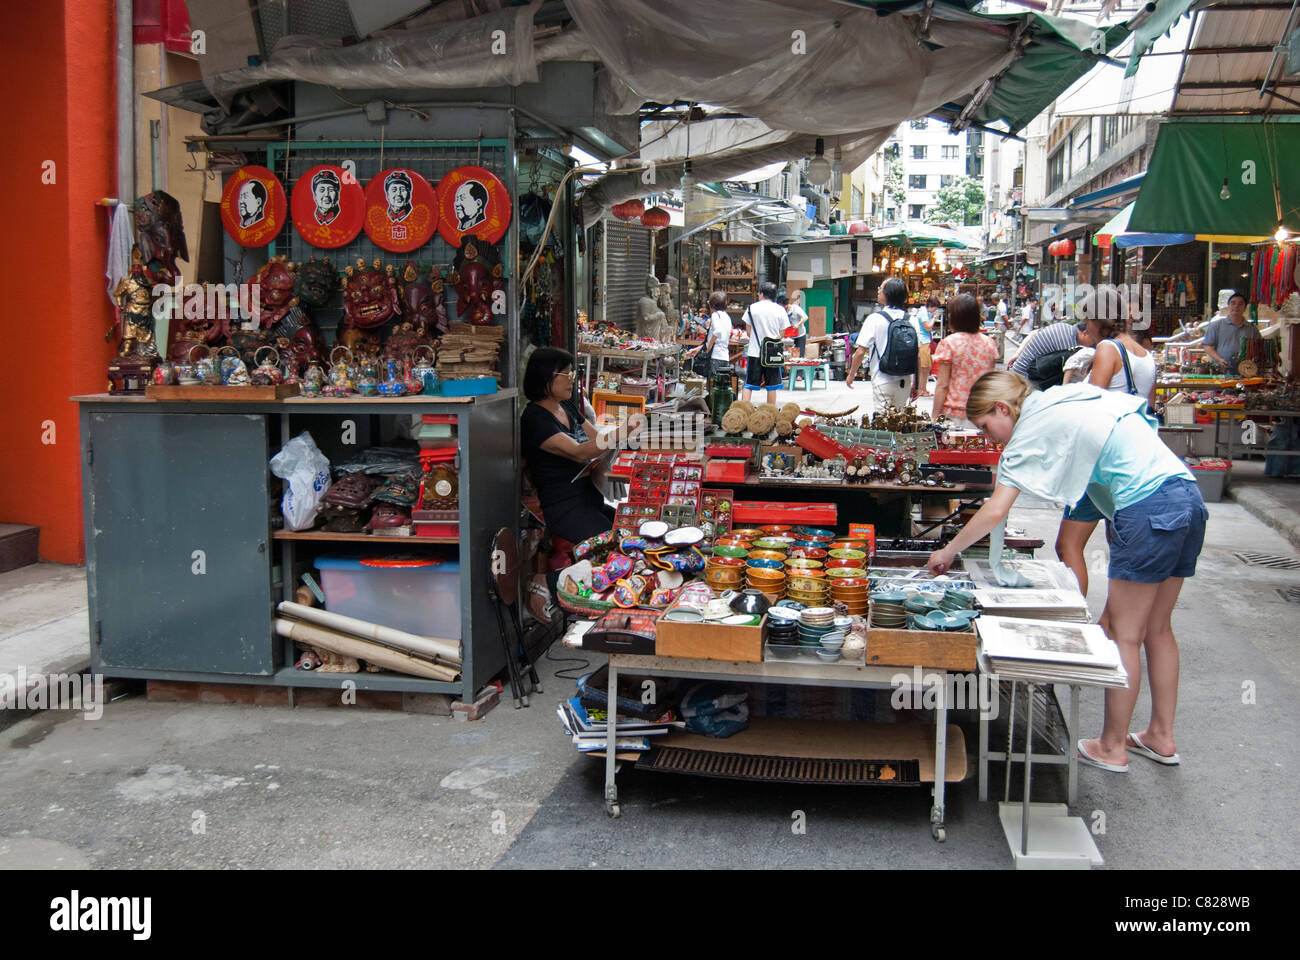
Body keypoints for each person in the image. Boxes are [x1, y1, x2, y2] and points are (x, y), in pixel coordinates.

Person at [929, 370, 1207, 773]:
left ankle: (1112, 747)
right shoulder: (1066, 397)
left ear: (1003, 409)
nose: (990, 439)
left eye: (987, 427)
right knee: (1158, 629)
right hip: (1186, 495)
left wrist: (948, 550)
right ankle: (1161, 737)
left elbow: (994, 510)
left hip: (1145, 507)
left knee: (1123, 634)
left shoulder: (1028, 430)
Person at [1055, 316, 1159, 597]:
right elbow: (1149, 407)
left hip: (1102, 460)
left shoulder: (1108, 349)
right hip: (1133, 460)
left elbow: (1094, 403)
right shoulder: (1146, 356)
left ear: (1100, 321)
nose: (1085, 330)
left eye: (1087, 323)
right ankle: (1123, 619)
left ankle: (1075, 616)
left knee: (1068, 545)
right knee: (1121, 548)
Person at [520, 348, 615, 547]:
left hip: (590, 499)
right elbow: (579, 452)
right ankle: (550, 579)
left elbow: (597, 440)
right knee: (613, 547)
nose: (572, 379)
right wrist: (622, 433)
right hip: (564, 507)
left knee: (630, 529)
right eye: (567, 373)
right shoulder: (535, 418)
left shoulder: (567, 406)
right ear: (546, 376)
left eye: (573, 373)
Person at [845, 277, 918, 410]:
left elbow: (860, 351)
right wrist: (916, 383)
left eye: (881, 288)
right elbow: (916, 354)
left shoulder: (874, 319)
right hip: (905, 381)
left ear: (887, 294)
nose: (878, 290)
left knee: (883, 425)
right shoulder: (912, 320)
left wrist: (851, 375)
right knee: (900, 424)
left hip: (882, 379)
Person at [929, 293, 999, 428]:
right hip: (982, 412)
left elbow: (942, 385)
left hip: (954, 414)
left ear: (955, 317)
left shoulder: (949, 343)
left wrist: (934, 418)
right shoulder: (989, 343)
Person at [1008, 319, 1097, 386]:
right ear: (1085, 333)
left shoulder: (1064, 327)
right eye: (1093, 339)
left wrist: (1018, 354)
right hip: (1025, 376)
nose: (1094, 342)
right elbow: (1068, 368)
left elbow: (1033, 333)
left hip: (1020, 369)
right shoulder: (1068, 341)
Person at [740, 281, 787, 403]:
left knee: (748, 384)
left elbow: (749, 332)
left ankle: (744, 411)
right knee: (772, 386)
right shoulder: (780, 310)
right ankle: (770, 414)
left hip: (755, 352)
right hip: (772, 354)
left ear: (761, 294)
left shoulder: (751, 308)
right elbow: (782, 334)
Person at [1202, 291, 1260, 375]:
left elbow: (1259, 348)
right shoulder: (1216, 325)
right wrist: (1219, 359)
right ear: (1228, 306)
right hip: (1221, 372)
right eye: (1233, 303)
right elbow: (1207, 346)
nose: (1236, 306)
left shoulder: (1251, 329)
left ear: (1245, 308)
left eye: (1240, 304)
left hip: (1245, 373)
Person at [686, 290, 733, 385]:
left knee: (712, 387)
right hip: (724, 357)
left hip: (715, 357)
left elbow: (717, 331)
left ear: (712, 305)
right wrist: (699, 349)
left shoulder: (716, 315)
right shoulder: (726, 316)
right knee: (721, 386)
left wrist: (709, 348)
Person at [913, 297, 938, 398]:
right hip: (923, 342)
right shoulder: (923, 313)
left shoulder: (924, 312)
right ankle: (921, 389)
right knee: (924, 367)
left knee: (926, 367)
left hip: (924, 341)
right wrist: (934, 318)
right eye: (935, 308)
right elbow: (928, 326)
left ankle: (922, 388)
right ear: (932, 306)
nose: (935, 311)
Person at [786, 288, 809, 357]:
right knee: (790, 355)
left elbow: (805, 317)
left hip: (800, 335)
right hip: (790, 336)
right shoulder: (783, 311)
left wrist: (798, 324)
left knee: (799, 355)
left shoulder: (795, 308)